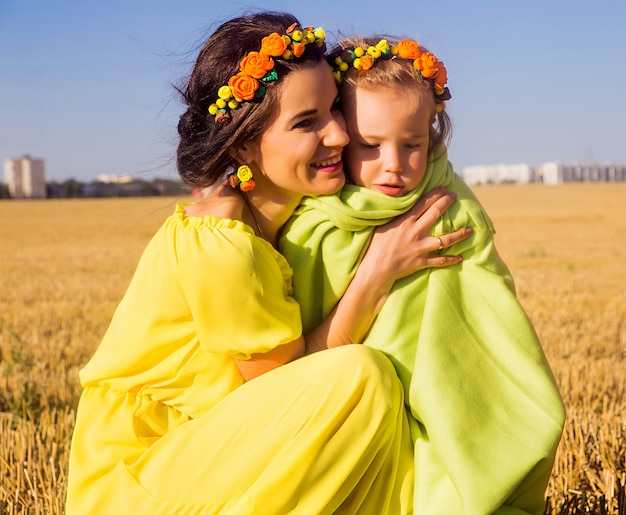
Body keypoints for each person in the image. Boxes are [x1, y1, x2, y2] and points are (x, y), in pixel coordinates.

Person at [65, 14, 473, 513]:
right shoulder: (220, 242)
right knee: (361, 377)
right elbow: (293, 388)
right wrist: (376, 272)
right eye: (307, 122)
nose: (340, 136)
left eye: (333, 110)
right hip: (139, 479)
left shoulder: (291, 220)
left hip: (207, 454)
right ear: (242, 143)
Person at [280, 36, 566, 514]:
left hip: (444, 391)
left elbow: (483, 307)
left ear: (432, 136)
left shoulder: (447, 205)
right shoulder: (313, 219)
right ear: (342, 134)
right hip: (358, 401)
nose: (394, 164)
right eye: (370, 145)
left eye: (412, 144)